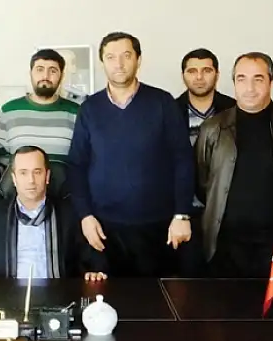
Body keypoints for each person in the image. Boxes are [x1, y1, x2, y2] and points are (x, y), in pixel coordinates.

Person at [67, 32, 194, 277]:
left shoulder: (163, 103)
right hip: (104, 228)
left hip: (157, 227)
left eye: (126, 55)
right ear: (102, 62)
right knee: (106, 297)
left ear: (138, 59)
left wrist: (182, 213)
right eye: (111, 57)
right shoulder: (90, 109)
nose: (119, 63)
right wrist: (85, 215)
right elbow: (77, 165)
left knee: (155, 298)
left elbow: (183, 160)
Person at [196, 52, 273, 278]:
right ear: (233, 83)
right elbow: (203, 182)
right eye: (241, 79)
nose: (249, 88)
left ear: (271, 82)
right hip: (226, 242)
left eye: (258, 79)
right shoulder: (212, 128)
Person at [0, 146, 106, 281]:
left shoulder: (69, 213)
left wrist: (94, 273)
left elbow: (90, 256)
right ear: (14, 178)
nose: (31, 180)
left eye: (37, 172)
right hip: (7, 296)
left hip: (58, 296)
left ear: (47, 176)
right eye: (23, 173)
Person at [175, 48, 236, 277]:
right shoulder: (169, 110)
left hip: (227, 213)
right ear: (183, 75)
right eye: (192, 71)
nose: (199, 77)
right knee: (188, 282)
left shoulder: (235, 110)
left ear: (217, 74)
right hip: (184, 214)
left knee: (226, 282)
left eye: (206, 71)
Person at [0, 49, 79, 167]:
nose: (45, 76)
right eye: (40, 69)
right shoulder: (9, 111)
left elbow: (82, 158)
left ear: (62, 76)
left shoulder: (77, 112)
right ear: (30, 74)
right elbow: (1, 158)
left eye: (53, 71)